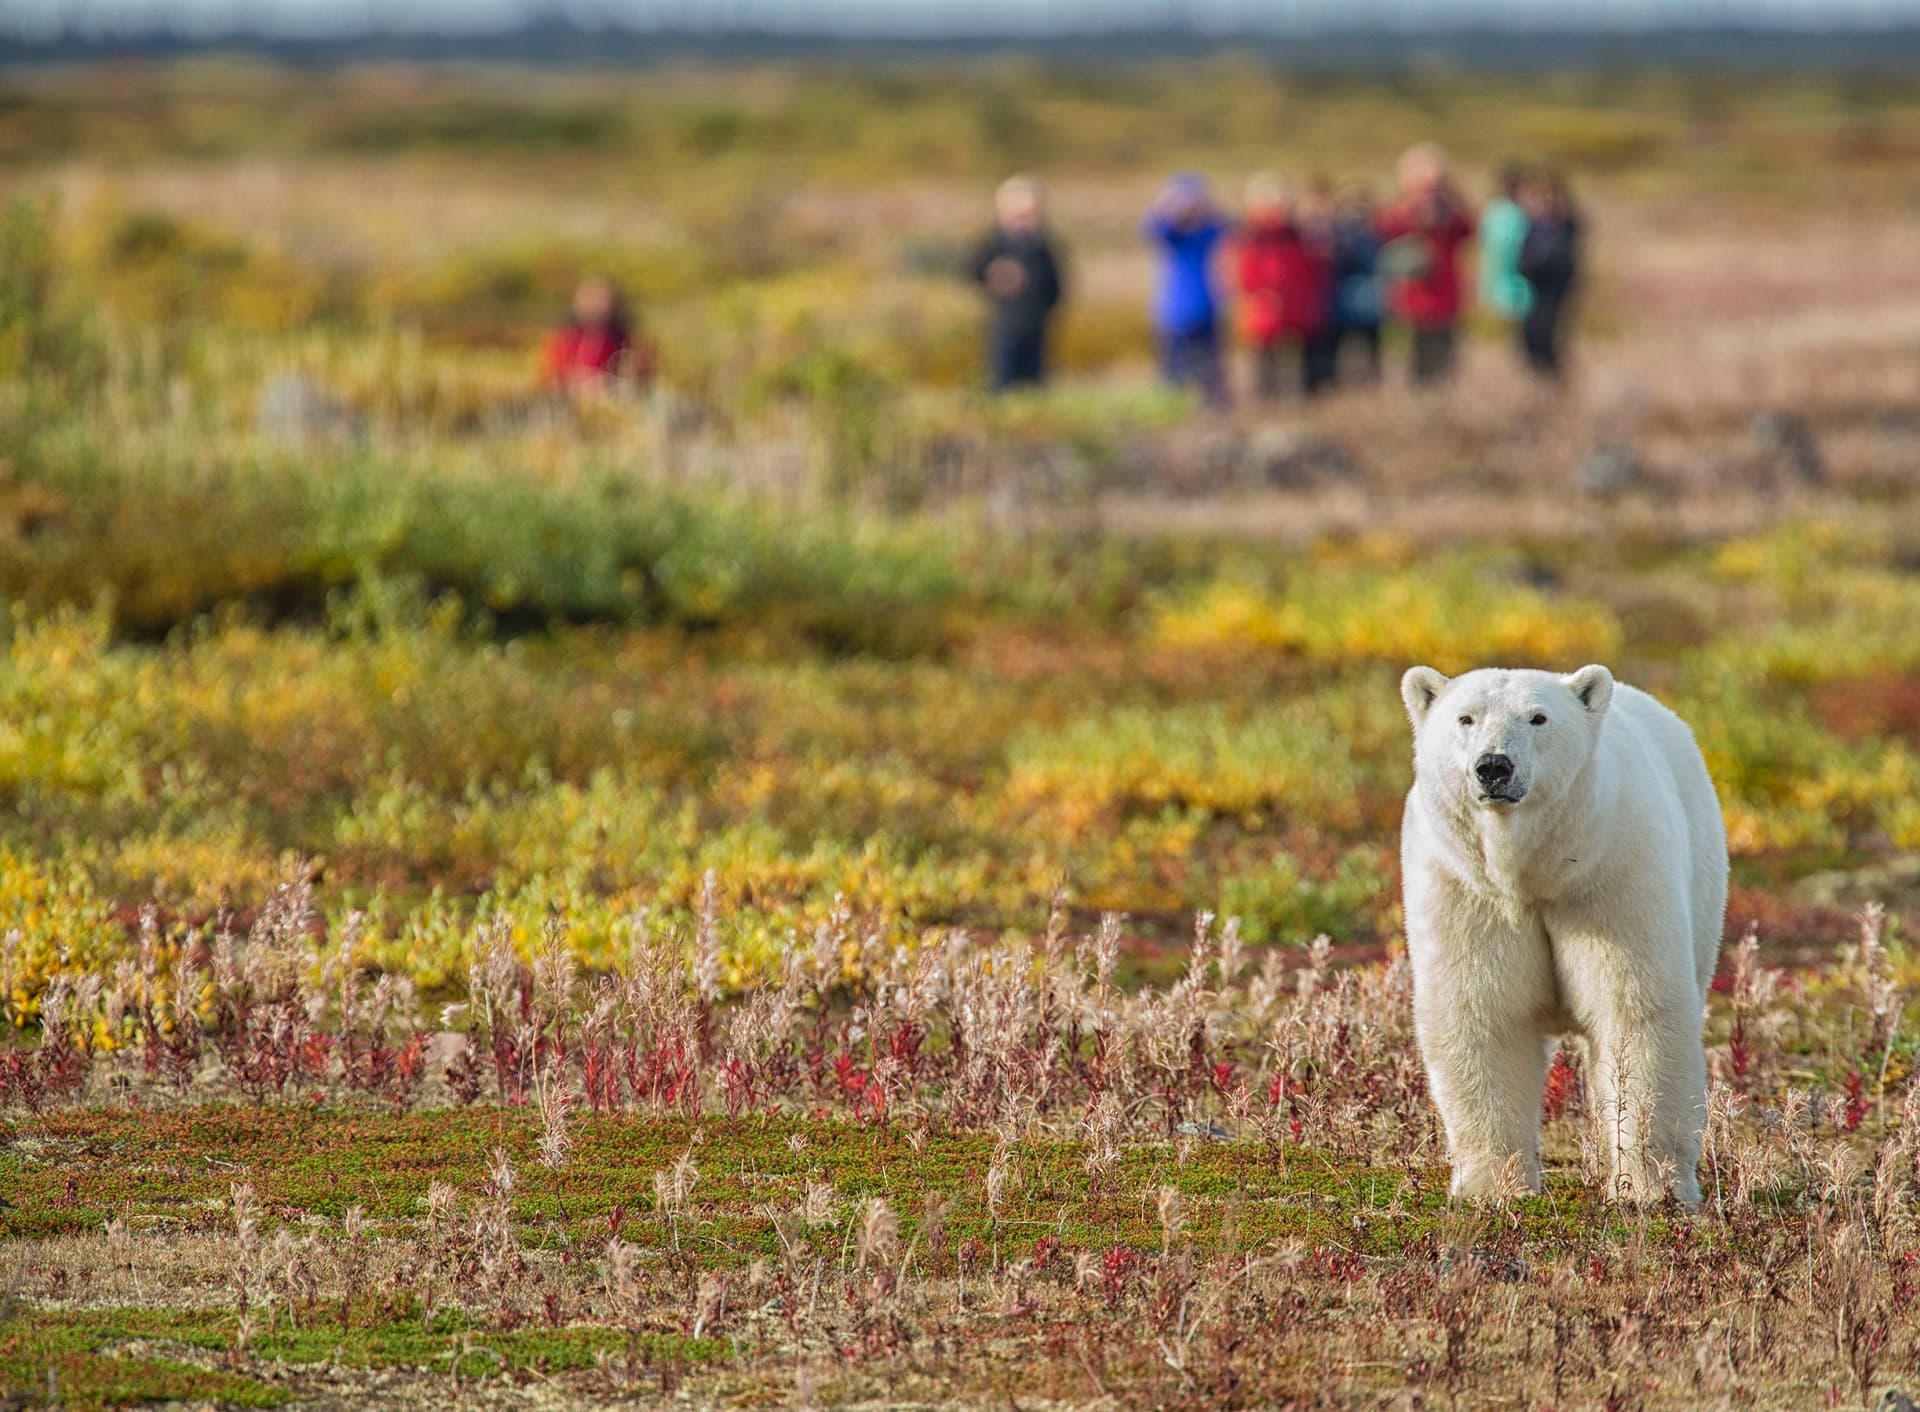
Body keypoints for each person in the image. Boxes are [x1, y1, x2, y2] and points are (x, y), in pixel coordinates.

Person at [1376, 144, 1477, 386]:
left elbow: (1469, 229)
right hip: (1413, 295)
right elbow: (1385, 231)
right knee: (1416, 355)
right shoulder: (1400, 210)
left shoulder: (1451, 210)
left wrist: (1449, 208)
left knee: (1445, 352)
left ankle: (1441, 395)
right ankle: (1422, 397)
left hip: (1445, 294)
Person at [1235, 173, 1333, 400]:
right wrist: (1262, 295)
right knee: (1265, 368)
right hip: (1265, 312)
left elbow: (1312, 270)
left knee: (1308, 368)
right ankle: (1268, 408)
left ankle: (1312, 406)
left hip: (1299, 310)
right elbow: (1243, 274)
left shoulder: (1300, 235)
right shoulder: (1250, 238)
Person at [967, 175, 1065, 392]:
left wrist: (1047, 309)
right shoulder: (994, 241)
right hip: (1005, 323)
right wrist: (996, 277)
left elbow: (1056, 282)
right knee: (1003, 380)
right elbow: (975, 271)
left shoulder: (1042, 243)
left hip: (1036, 322)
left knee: (1035, 381)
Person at [1143, 173, 1230, 408]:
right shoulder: (1173, 236)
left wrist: (1206, 207)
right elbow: (1152, 228)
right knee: (1174, 371)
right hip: (1174, 312)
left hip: (1206, 309)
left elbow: (1228, 226)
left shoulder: (1206, 232)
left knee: (1210, 370)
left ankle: (1214, 411)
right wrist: (1166, 204)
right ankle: (1172, 409)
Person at [1517, 171, 1582, 380]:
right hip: (1534, 287)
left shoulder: (1565, 225)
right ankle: (1538, 374)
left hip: (1555, 289)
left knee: (1549, 333)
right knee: (1531, 334)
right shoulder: (1532, 225)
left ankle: (1553, 376)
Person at [540, 277, 653, 391]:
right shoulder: (563, 339)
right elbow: (548, 377)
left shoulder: (629, 340)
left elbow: (646, 376)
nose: (596, 306)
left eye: (601, 300)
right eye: (589, 299)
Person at [1328, 184, 1385, 384]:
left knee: (1371, 355)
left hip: (1371, 306)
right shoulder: (1335, 238)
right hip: (1340, 307)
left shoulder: (1377, 235)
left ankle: (1370, 388)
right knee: (1340, 356)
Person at [1479, 162, 1535, 351]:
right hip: (1511, 280)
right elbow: (1501, 250)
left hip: (1513, 280)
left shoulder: (1495, 211)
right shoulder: (1508, 213)